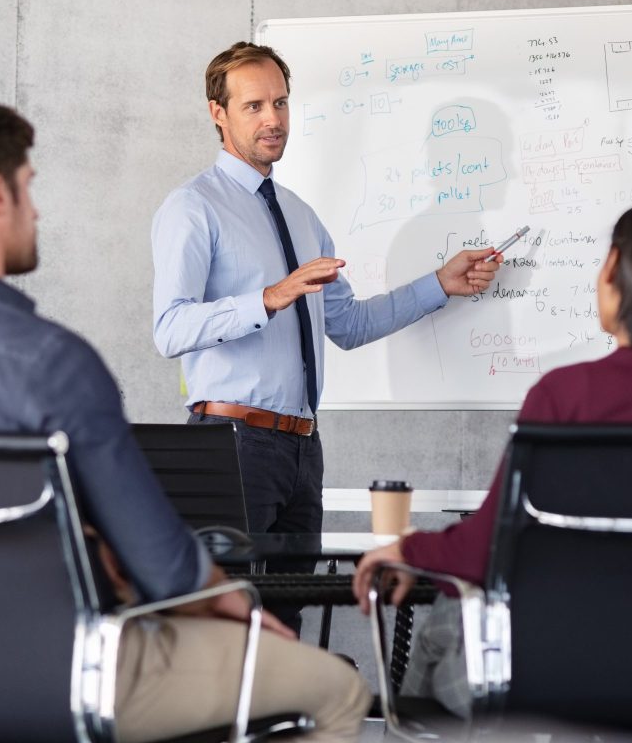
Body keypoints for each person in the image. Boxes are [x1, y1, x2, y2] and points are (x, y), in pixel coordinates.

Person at [0, 94, 368, 743]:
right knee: (338, 688)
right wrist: (233, 604)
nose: (36, 209)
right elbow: (163, 561)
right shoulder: (55, 361)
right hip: (62, 672)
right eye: (27, 188)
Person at [352, 195, 632, 716]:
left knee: (442, 633)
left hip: (565, 668)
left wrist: (408, 550)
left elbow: (487, 549)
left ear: (617, 274)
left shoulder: (566, 396)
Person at [151, 41, 501, 572]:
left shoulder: (301, 216)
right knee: (227, 618)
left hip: (302, 450)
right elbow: (170, 329)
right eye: (254, 106)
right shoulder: (193, 206)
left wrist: (440, 285)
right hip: (232, 446)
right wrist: (269, 298)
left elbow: (349, 324)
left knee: (293, 612)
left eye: (281, 103)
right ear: (218, 114)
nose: (274, 119)